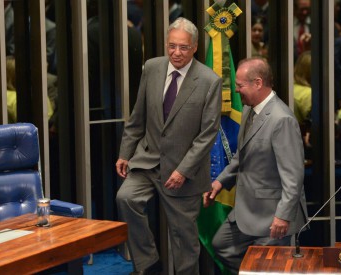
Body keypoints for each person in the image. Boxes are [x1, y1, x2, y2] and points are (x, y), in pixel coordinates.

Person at [115, 17, 222, 275]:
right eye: (172, 45)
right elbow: (138, 116)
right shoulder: (152, 68)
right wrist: (125, 153)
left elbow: (207, 136)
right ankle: (149, 264)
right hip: (148, 160)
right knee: (125, 198)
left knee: (183, 239)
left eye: (183, 47)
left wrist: (183, 170)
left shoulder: (209, 81)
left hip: (183, 173)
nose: (176, 52)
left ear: (195, 47)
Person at [204, 57, 308, 274]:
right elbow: (242, 156)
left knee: (267, 267)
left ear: (258, 83)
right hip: (247, 210)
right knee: (222, 246)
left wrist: (283, 215)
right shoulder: (250, 110)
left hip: (273, 216)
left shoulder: (282, 119)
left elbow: (293, 176)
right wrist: (221, 182)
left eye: (240, 85)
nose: (236, 90)